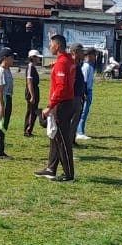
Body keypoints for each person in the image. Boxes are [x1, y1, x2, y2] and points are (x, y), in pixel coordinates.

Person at [35, 34, 75, 182]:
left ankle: (68, 174)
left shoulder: (62, 63)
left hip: (61, 104)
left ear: (57, 46)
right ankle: (51, 168)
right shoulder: (67, 60)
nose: (49, 47)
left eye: (51, 44)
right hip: (65, 102)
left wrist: (50, 106)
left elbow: (61, 88)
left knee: (62, 140)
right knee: (54, 137)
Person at [0, 46, 15, 159]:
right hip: (2, 99)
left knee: (4, 125)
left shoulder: (7, 69)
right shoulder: (1, 71)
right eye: (11, 58)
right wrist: (1, 107)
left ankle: (1, 150)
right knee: (0, 125)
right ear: (5, 58)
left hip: (7, 98)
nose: (13, 60)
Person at [77, 47, 97, 140]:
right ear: (89, 56)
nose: (95, 57)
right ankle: (80, 131)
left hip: (89, 90)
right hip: (86, 91)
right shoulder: (86, 67)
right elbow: (84, 81)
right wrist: (84, 93)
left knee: (86, 111)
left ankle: (81, 130)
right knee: (83, 111)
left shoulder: (90, 66)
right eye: (94, 55)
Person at [23, 49, 42, 137]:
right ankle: (27, 130)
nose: (39, 59)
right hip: (32, 92)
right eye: (38, 57)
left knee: (33, 111)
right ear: (33, 58)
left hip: (35, 90)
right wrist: (32, 96)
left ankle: (29, 130)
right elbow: (29, 82)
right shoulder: (30, 67)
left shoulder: (33, 67)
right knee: (31, 111)